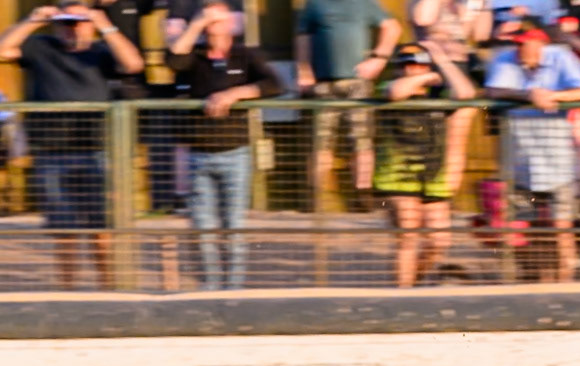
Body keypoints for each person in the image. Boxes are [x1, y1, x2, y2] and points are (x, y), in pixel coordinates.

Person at [0, 1, 144, 289]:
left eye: (77, 22)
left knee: (101, 229)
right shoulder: (41, 46)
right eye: (66, 22)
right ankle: (69, 292)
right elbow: (3, 50)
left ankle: (109, 290)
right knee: (64, 231)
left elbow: (133, 64)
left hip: (95, 150)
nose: (71, 28)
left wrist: (104, 24)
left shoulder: (101, 52)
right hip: (51, 152)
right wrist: (33, 20)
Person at [164, 0, 281, 291]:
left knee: (233, 225)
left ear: (230, 23)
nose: (214, 27)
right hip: (198, 155)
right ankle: (211, 287)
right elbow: (173, 60)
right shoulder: (194, 56)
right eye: (208, 22)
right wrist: (196, 24)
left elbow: (274, 84)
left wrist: (235, 94)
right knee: (202, 227)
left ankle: (234, 287)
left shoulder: (244, 55)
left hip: (235, 153)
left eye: (218, 20)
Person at [483, 24, 580, 281]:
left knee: (562, 229)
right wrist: (529, 95)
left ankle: (566, 284)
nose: (522, 49)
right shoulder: (505, 58)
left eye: (527, 43)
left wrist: (554, 96)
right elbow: (492, 90)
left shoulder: (561, 57)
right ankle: (530, 281)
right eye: (519, 43)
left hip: (559, 162)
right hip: (520, 165)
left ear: (541, 43)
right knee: (522, 231)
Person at [374, 42, 477, 287]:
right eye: (408, 64)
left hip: (432, 176)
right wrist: (429, 75)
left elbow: (466, 94)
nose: (412, 69)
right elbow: (396, 92)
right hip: (398, 175)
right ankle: (403, 294)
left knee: (439, 241)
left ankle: (413, 283)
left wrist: (442, 60)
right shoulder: (387, 86)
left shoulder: (438, 94)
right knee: (408, 236)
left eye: (419, 63)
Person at [296, 0, 401, 211]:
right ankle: (314, 199)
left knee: (361, 142)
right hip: (324, 84)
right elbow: (302, 36)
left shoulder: (364, 3)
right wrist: (303, 69)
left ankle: (363, 197)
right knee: (320, 143)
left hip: (358, 84)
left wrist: (379, 59)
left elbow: (392, 28)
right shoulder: (314, 4)